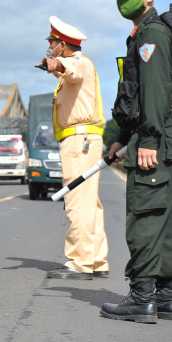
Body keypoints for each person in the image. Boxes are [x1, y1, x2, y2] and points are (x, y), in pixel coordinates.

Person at [102, 0, 172, 324]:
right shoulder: (148, 31)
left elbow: (154, 90)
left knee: (145, 217)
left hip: (158, 136)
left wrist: (148, 140)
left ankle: (142, 299)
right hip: (169, 135)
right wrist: (123, 137)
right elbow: (138, 96)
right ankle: (167, 298)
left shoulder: (151, 33)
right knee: (167, 218)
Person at [38, 16, 109, 280]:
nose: (50, 48)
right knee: (89, 203)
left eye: (52, 43)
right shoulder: (78, 66)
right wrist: (55, 67)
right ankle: (96, 260)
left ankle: (80, 262)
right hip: (85, 141)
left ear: (64, 45)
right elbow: (67, 71)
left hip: (80, 142)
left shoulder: (79, 62)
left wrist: (55, 64)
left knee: (77, 200)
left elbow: (71, 67)